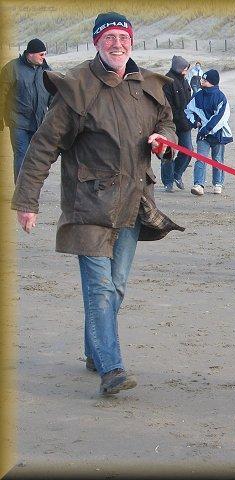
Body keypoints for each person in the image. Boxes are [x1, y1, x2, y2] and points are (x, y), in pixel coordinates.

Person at [10, 12, 183, 396]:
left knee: (116, 286)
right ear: (96, 43)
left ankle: (94, 351)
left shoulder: (148, 85)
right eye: (109, 38)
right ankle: (111, 368)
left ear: (132, 42)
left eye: (123, 37)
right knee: (101, 288)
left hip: (133, 203)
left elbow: (168, 121)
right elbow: (42, 147)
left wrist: (163, 139)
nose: (117, 44)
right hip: (88, 204)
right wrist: (28, 201)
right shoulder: (77, 88)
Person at [0, 38, 51, 183]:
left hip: (39, 122)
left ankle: (30, 189)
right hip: (18, 122)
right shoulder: (11, 68)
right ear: (30, 54)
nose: (44, 57)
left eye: (45, 54)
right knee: (21, 155)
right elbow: (1, 94)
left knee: (36, 157)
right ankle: (21, 191)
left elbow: (54, 98)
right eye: (41, 54)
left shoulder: (47, 70)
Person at [184, 69, 233, 196]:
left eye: (204, 80)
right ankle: (198, 184)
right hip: (203, 135)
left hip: (218, 134)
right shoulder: (198, 95)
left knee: (217, 160)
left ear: (212, 82)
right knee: (200, 158)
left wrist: (207, 129)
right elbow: (188, 110)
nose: (201, 81)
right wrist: (195, 122)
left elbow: (221, 117)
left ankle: (218, 183)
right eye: (202, 79)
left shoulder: (220, 97)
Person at [161, 55, 193, 192]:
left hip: (185, 123)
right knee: (168, 153)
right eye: (185, 68)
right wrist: (178, 118)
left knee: (188, 151)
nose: (186, 71)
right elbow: (167, 105)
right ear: (179, 68)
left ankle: (176, 174)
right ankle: (168, 182)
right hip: (170, 124)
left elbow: (190, 102)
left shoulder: (185, 81)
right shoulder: (167, 81)